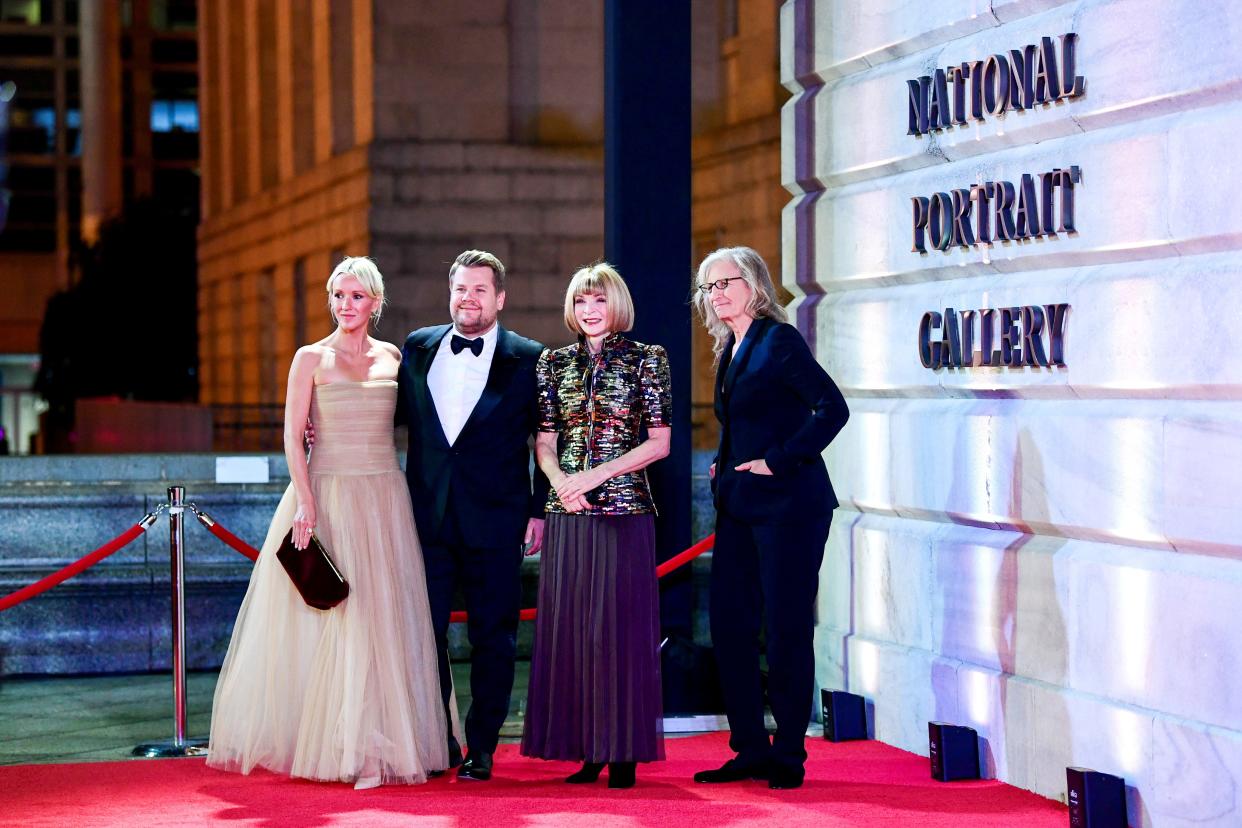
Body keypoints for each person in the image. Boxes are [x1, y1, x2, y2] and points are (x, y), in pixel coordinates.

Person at [207, 256, 448, 789]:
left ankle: (376, 745)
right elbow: (293, 436)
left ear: (376, 302)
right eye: (338, 296)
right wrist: (307, 502)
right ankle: (335, 746)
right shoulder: (309, 358)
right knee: (333, 619)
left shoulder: (394, 357)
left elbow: (419, 424)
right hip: (327, 495)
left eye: (357, 297)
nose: (346, 306)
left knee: (382, 621)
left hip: (384, 497)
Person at [690, 246, 849, 790]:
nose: (717, 294)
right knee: (731, 628)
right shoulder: (730, 348)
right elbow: (749, 420)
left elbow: (832, 408)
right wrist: (723, 462)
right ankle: (749, 749)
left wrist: (779, 460)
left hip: (790, 508)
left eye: (726, 282)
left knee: (784, 631)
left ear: (754, 285)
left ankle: (788, 754)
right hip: (739, 507)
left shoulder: (778, 339)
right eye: (709, 287)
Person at [397, 249, 549, 782]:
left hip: (497, 520)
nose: (469, 298)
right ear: (450, 292)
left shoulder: (531, 357)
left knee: (495, 637)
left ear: (500, 298)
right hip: (427, 520)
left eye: (480, 290)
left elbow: (546, 443)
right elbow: (384, 415)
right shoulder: (417, 347)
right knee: (423, 634)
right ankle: (438, 738)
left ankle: (481, 745)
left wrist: (538, 512)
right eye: (461, 288)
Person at [520, 263, 671, 789]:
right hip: (568, 515)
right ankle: (587, 749)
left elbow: (659, 442)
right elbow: (543, 441)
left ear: (616, 305)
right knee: (574, 634)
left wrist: (592, 477)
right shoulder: (551, 363)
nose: (589, 310)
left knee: (620, 633)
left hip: (624, 513)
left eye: (599, 300)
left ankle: (623, 751)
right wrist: (563, 482)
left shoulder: (647, 359)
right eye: (581, 301)